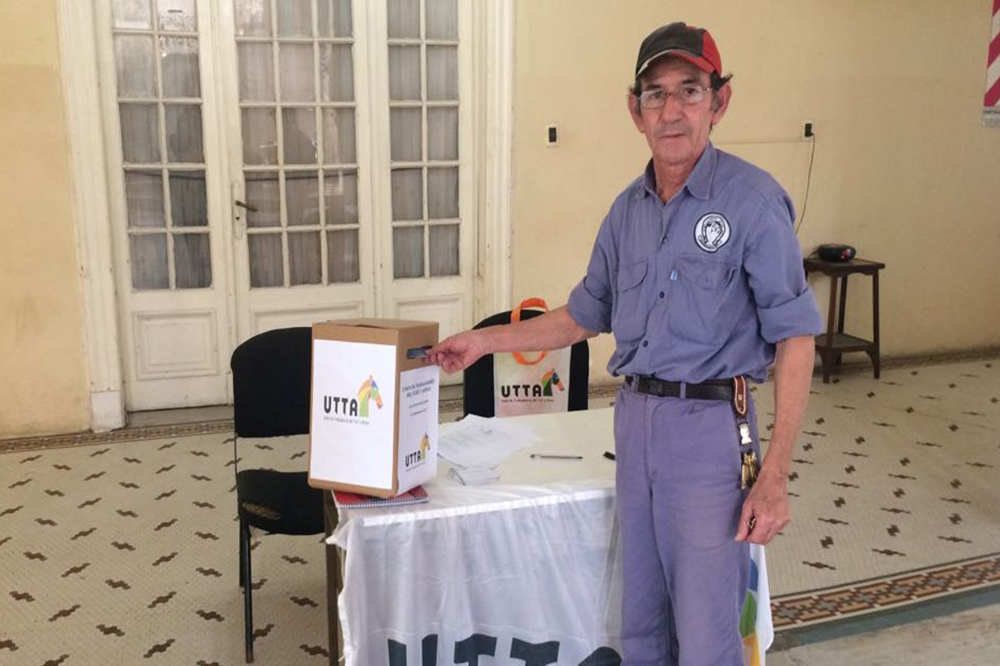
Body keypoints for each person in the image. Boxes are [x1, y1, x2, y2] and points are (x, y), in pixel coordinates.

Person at [427, 21, 822, 666]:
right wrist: (482, 340)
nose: (672, 110)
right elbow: (582, 317)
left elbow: (796, 339)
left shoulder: (752, 203)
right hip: (634, 423)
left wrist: (774, 476)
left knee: (706, 633)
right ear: (635, 110)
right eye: (655, 94)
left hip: (710, 432)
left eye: (689, 90)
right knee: (640, 623)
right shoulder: (626, 212)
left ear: (719, 102)